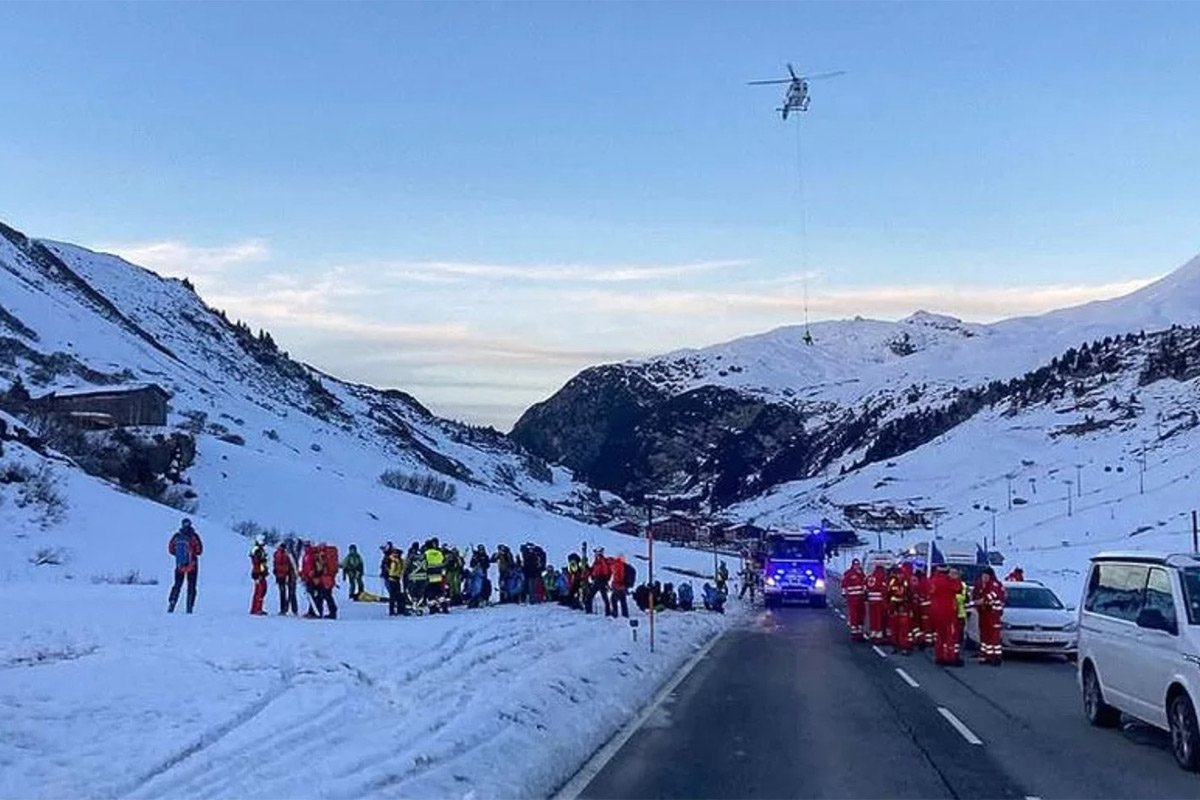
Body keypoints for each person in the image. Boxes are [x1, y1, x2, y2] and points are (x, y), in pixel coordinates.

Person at [167, 518, 203, 614]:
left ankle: (172, 603)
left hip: (179, 565)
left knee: (177, 585)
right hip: (193, 565)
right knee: (191, 586)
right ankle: (189, 606)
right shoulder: (194, 536)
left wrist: (179, 556)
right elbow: (199, 551)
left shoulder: (177, 536)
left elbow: (171, 549)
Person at [929, 565, 961, 666]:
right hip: (948, 613)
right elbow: (957, 588)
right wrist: (956, 578)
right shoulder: (948, 582)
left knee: (940, 636)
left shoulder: (933, 580)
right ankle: (949, 658)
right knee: (950, 637)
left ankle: (939, 656)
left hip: (936, 613)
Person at [974, 568, 1006, 665]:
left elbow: (993, 595)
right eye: (983, 576)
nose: (984, 578)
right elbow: (976, 595)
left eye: (986, 576)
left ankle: (996, 657)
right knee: (984, 636)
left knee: (994, 637)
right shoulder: (980, 584)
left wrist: (983, 600)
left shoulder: (995, 585)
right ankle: (986, 655)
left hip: (993, 615)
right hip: (984, 614)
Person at [841, 558, 867, 642]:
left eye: (858, 565)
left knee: (861, 615)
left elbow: (865, 584)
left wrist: (865, 593)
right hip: (852, 598)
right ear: (853, 565)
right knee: (854, 616)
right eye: (855, 565)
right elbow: (844, 584)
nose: (857, 566)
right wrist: (844, 594)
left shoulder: (861, 574)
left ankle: (860, 633)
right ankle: (854, 634)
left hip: (861, 598)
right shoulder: (848, 574)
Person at [273, 541, 298, 615]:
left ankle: (285, 609)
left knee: (285, 593)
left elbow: (276, 565)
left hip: (282, 576)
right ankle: (292, 609)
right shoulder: (287, 555)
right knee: (290, 593)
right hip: (286, 575)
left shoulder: (277, 554)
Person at [865, 563, 888, 644]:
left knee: (872, 618)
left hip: (871, 601)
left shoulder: (870, 577)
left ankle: (872, 634)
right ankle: (878, 636)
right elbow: (884, 590)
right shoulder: (881, 578)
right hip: (879, 601)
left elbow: (866, 587)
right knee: (878, 619)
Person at [424, 538, 447, 613]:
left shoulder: (426, 554)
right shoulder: (439, 553)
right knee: (440, 594)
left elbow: (424, 565)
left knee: (431, 595)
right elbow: (443, 562)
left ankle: (433, 609)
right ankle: (444, 607)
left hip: (430, 577)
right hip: (439, 576)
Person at [383, 544, 406, 616]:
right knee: (392, 596)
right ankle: (392, 611)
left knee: (398, 595)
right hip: (392, 579)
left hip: (397, 579)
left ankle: (399, 610)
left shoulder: (400, 561)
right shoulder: (391, 560)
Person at [586, 548, 611, 615]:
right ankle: (607, 612)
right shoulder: (597, 561)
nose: (595, 554)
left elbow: (604, 571)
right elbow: (594, 570)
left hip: (600, 581)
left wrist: (599, 577)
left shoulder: (601, 561)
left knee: (593, 596)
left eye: (596, 552)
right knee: (601, 597)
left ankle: (607, 612)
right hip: (598, 581)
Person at [249, 535, 269, 616]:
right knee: (259, 591)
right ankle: (257, 609)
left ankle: (256, 608)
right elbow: (257, 563)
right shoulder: (257, 550)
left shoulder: (260, 550)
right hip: (258, 574)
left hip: (261, 573)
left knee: (261, 590)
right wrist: (260, 573)